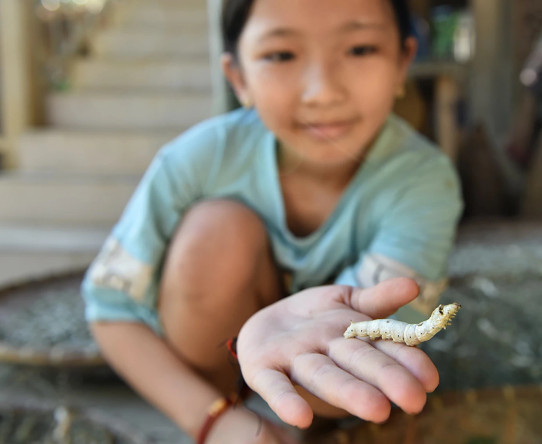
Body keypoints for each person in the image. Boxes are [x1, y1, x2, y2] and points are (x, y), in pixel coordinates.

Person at [81, 0, 463, 442]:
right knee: (216, 229)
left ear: (402, 62)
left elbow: (373, 344)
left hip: (332, 402)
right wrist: (215, 421)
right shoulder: (198, 160)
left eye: (359, 49)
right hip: (216, 386)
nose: (323, 92)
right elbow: (112, 309)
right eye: (281, 54)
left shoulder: (422, 182)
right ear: (238, 77)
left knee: (358, 354)